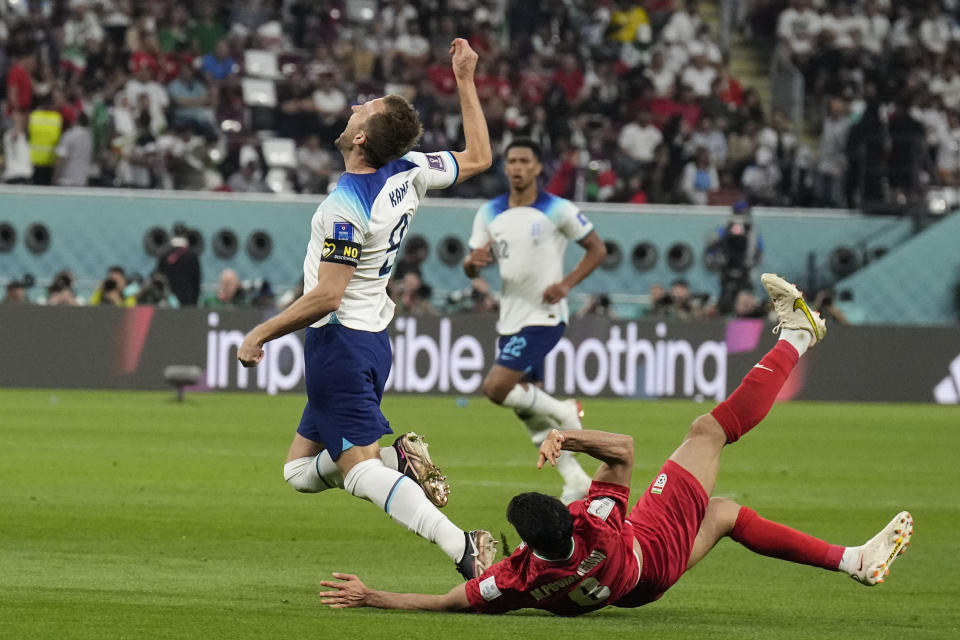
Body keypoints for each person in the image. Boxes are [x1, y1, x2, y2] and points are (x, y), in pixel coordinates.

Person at [318, 274, 913, 614]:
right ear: (569, 518)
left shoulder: (518, 576)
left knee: (727, 513)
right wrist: (566, 435)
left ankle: (853, 561)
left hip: (637, 588)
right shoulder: (596, 521)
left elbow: (449, 601)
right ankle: (798, 336)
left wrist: (373, 596)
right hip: (645, 550)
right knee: (708, 430)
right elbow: (624, 449)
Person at [236, 39, 496, 580]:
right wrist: (466, 80)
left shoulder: (345, 209)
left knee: (359, 471)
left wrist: (261, 331)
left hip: (340, 344)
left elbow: (329, 295)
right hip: (374, 339)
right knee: (299, 472)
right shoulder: (409, 170)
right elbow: (479, 158)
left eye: (365, 107)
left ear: (359, 138)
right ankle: (400, 461)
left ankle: (462, 546)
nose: (357, 104)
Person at [462, 137, 607, 504]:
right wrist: (471, 264)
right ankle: (574, 477)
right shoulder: (489, 212)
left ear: (538, 168)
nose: (517, 167)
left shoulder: (556, 208)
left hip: (544, 315)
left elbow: (597, 248)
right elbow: (471, 262)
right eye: (512, 161)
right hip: (510, 318)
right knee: (525, 407)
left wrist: (566, 284)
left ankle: (564, 410)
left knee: (496, 389)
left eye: (525, 161)